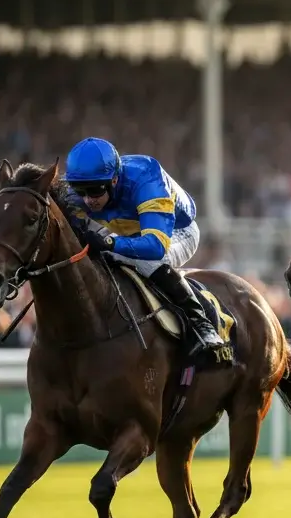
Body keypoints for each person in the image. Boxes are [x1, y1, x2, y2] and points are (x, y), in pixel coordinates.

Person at [62, 137, 232, 367]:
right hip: (128, 231)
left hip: (175, 232)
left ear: (114, 180)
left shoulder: (146, 178)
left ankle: (201, 324)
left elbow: (155, 246)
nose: (86, 200)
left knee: (147, 262)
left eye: (93, 191)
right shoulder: (82, 187)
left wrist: (110, 244)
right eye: (79, 190)